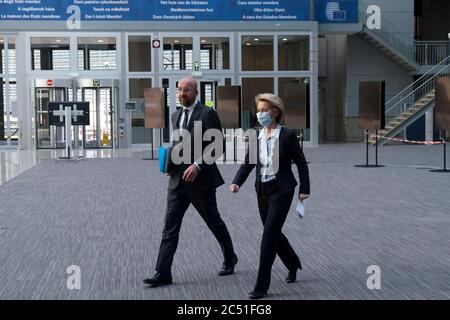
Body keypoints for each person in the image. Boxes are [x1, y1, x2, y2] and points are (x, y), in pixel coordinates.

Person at [144, 77, 238, 287]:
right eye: (179, 90)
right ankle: (162, 272)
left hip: (201, 181)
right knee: (170, 227)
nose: (182, 93)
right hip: (178, 181)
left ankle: (230, 257)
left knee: (213, 222)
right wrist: (170, 166)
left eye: (187, 90)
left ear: (196, 92)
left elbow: (218, 146)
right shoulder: (176, 115)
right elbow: (179, 145)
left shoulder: (207, 113)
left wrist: (198, 165)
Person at [229, 93, 310, 299]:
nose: (260, 114)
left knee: (268, 237)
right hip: (263, 190)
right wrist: (237, 181)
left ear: (275, 112)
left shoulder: (288, 135)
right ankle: (293, 263)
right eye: (259, 110)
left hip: (282, 190)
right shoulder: (256, 135)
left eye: (265, 110)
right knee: (272, 232)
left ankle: (261, 286)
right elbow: (249, 162)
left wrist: (304, 188)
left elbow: (301, 162)